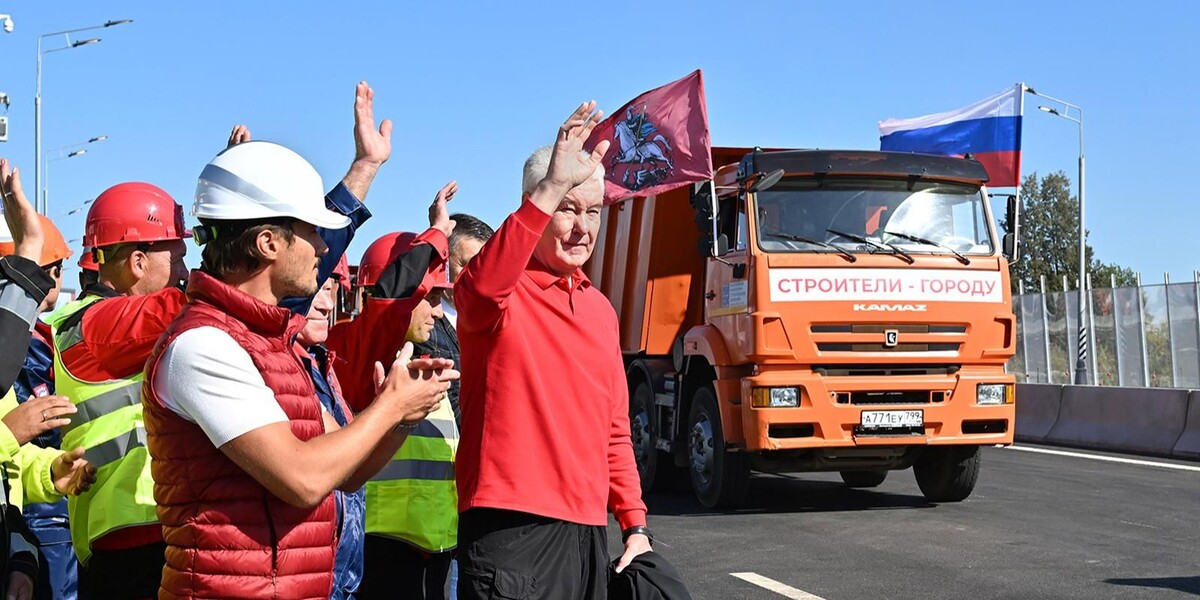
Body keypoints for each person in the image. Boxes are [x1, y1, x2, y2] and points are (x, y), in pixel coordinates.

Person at [42, 82, 389, 599]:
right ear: (137, 260)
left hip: (194, 542)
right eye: (178, 251)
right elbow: (261, 282)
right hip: (136, 551)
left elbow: (276, 276)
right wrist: (237, 222)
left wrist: (356, 172)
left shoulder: (227, 321)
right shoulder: (96, 323)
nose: (188, 262)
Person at [143, 138, 455, 598]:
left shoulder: (277, 343)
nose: (320, 249)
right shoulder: (204, 345)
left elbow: (344, 472)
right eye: (312, 231)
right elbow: (303, 479)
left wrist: (402, 417)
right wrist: (388, 408)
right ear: (268, 243)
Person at [454, 102, 651, 600]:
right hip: (512, 532)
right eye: (568, 208)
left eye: (594, 212)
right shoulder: (501, 293)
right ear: (536, 206)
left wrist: (634, 524)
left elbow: (614, 432)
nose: (583, 227)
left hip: (588, 533)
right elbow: (477, 292)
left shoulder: (600, 312)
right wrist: (550, 188)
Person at [328, 182, 458, 600]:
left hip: (435, 547)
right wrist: (436, 235)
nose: (439, 310)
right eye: (430, 297)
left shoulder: (431, 359)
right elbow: (392, 300)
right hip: (377, 547)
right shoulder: (356, 352)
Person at [0, 159, 96, 600]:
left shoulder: (37, 340)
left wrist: (49, 472)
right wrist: (8, 433)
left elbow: (10, 472)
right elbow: (8, 436)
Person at [297, 263, 365, 600]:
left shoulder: (321, 365)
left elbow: (349, 476)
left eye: (330, 289)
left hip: (342, 577)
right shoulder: (283, 365)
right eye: (316, 289)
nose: (326, 303)